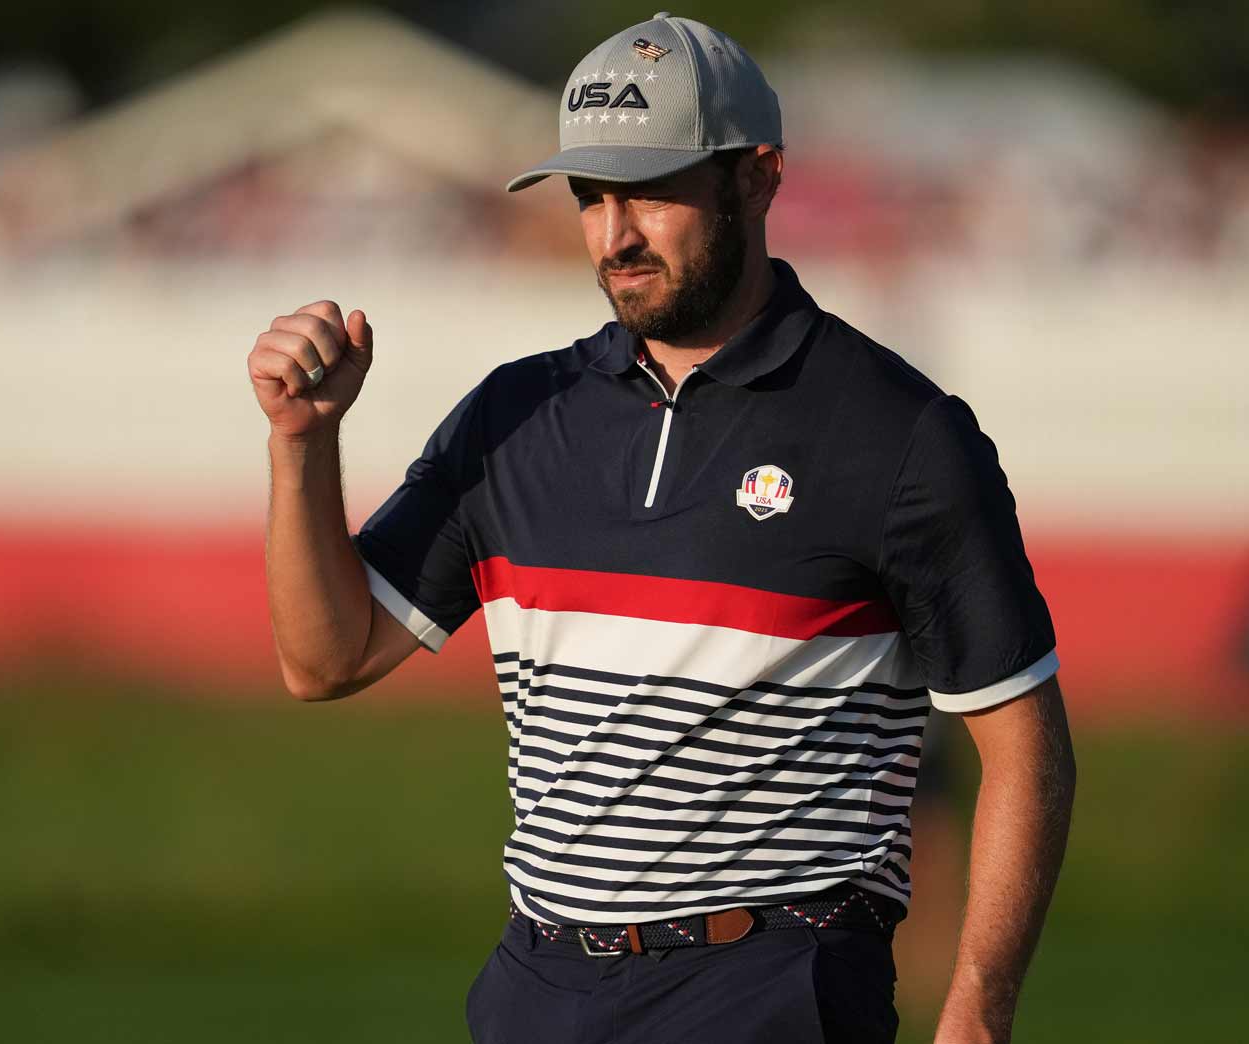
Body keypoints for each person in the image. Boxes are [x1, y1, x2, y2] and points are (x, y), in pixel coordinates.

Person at [247, 13, 1076, 1043]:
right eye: (591, 196)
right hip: (537, 985)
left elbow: (1024, 741)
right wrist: (301, 444)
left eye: (650, 190)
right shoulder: (513, 415)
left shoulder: (898, 434)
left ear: (756, 177)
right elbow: (324, 660)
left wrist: (978, 1008)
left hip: (771, 989)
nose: (613, 234)